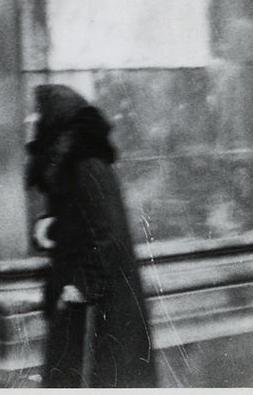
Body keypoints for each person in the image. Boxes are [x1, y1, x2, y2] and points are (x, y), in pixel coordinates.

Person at [27, 84, 157, 388]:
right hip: (81, 286)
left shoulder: (87, 163)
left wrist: (83, 286)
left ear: (56, 119)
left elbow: (105, 230)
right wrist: (48, 224)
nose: (34, 121)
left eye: (39, 114)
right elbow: (77, 215)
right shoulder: (71, 160)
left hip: (99, 295)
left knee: (97, 373)